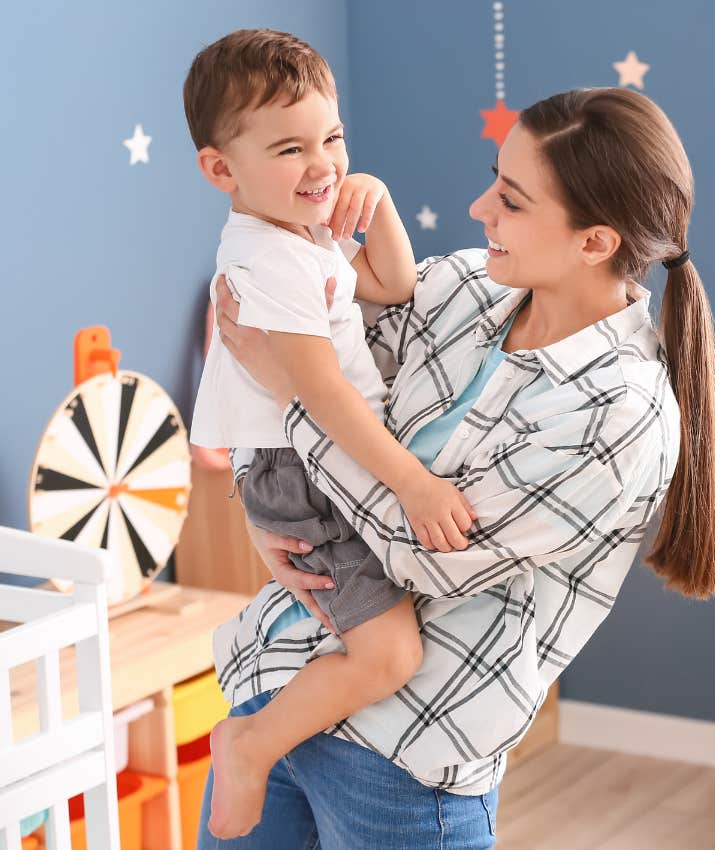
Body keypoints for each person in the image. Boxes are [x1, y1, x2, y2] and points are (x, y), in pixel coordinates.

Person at [199, 86, 715, 849]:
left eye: (512, 200)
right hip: (276, 679)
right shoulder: (466, 286)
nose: (478, 206)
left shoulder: (619, 419)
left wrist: (295, 395)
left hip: (402, 757)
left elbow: (427, 558)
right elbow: (308, 354)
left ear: (596, 242)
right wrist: (265, 515)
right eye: (496, 177)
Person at [184, 29, 478, 839]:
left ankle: (267, 734)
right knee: (390, 656)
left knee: (387, 638)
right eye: (290, 148)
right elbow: (322, 398)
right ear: (222, 170)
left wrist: (371, 198)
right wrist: (413, 485)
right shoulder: (266, 260)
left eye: (333, 139)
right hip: (304, 467)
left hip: (312, 456)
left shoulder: (299, 232)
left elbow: (393, 283)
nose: (322, 166)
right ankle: (252, 744)